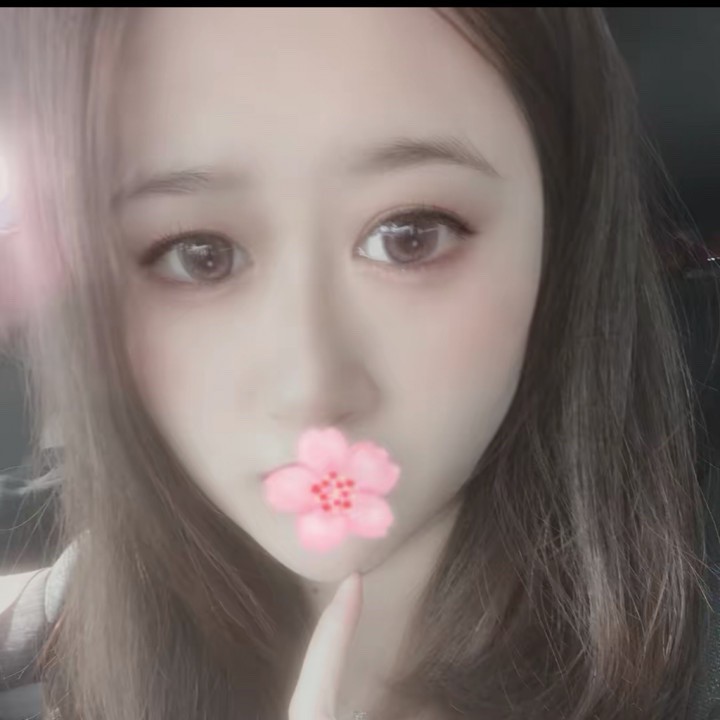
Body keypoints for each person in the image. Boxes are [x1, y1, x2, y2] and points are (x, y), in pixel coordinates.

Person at [0, 7, 717, 720]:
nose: (312, 388)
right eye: (201, 256)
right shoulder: (96, 598)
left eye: (410, 236)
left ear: (561, 238)